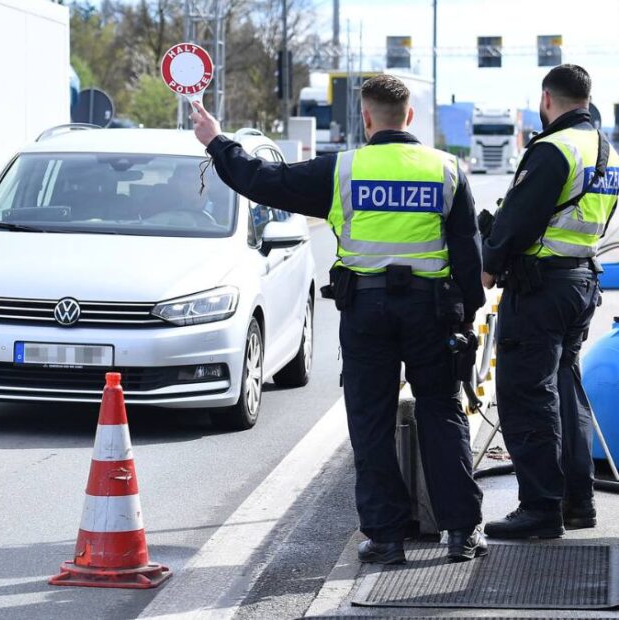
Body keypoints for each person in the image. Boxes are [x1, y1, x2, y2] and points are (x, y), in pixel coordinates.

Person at [191, 74, 487, 563]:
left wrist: (217, 142)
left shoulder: (343, 170)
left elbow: (263, 181)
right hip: (431, 311)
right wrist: (464, 318)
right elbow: (467, 255)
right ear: (408, 117)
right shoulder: (446, 169)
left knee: (370, 420)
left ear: (365, 118)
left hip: (367, 310)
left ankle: (387, 538)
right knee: (441, 411)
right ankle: (459, 533)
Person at [481, 64, 619, 539]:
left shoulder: (552, 148)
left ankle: (539, 509)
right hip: (581, 281)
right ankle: (577, 503)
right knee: (565, 392)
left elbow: (515, 221)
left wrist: (490, 262)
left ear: (547, 99)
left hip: (540, 290)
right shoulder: (608, 151)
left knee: (526, 394)